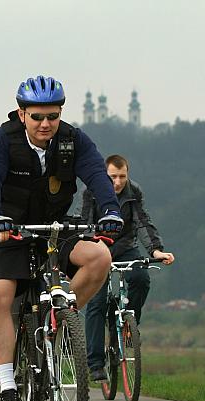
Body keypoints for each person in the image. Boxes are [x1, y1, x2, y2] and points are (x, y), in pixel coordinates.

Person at [0, 75, 123, 401]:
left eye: (53, 116)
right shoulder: (0, 141)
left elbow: (98, 177)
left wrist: (111, 211)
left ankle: (59, 322)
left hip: (55, 228)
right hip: (7, 230)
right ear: (21, 113)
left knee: (99, 256)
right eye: (38, 116)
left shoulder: (73, 140)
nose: (46, 124)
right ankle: (9, 387)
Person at [81, 154, 175, 381]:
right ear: (105, 175)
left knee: (141, 279)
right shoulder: (91, 191)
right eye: (113, 176)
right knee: (96, 302)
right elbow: (85, 224)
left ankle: (127, 328)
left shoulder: (134, 192)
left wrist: (155, 250)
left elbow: (142, 221)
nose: (118, 182)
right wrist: (88, 249)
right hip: (97, 249)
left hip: (125, 247)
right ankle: (95, 363)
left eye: (122, 176)